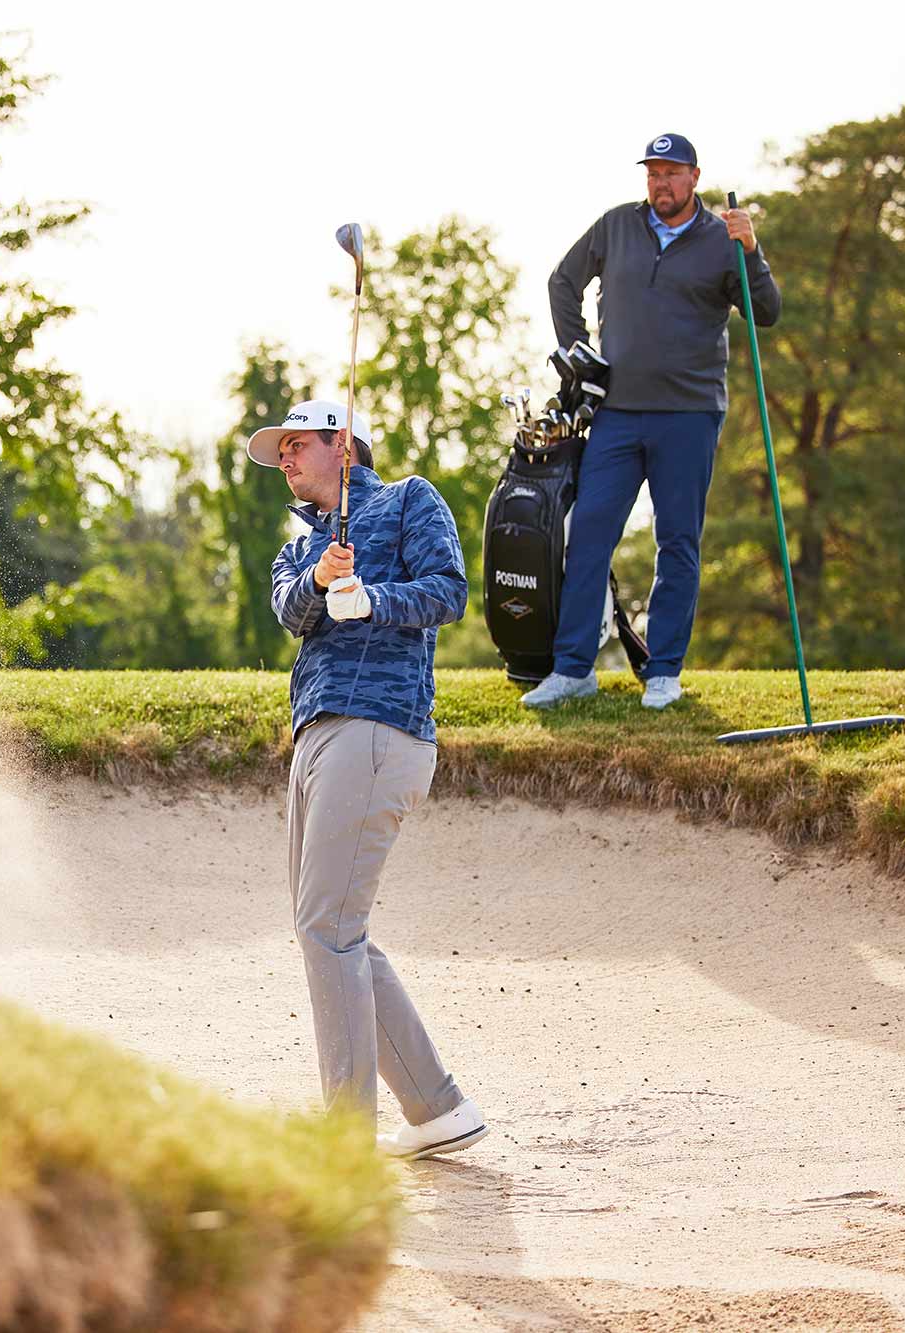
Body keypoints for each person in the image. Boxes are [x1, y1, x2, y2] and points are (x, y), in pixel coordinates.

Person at [246, 397, 487, 1160]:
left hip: (378, 728)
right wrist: (322, 579)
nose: (284, 459)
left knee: (328, 928)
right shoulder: (298, 545)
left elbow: (448, 590)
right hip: (315, 737)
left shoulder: (410, 498)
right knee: (332, 930)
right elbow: (290, 609)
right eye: (278, 452)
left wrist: (372, 598)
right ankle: (436, 1106)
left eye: (295, 445)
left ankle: (346, 1140)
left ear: (341, 444)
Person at [523, 132, 782, 711]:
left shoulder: (722, 240)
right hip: (616, 412)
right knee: (588, 533)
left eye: (672, 172)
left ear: (695, 177)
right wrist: (577, 351)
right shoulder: (616, 225)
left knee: (678, 543)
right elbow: (562, 281)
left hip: (690, 415)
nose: (660, 183)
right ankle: (573, 670)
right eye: (652, 173)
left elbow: (766, 312)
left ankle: (663, 672)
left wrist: (753, 251)